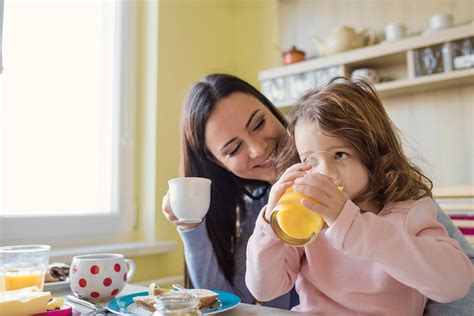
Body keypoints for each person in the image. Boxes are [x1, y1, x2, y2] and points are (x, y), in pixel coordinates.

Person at [162, 74, 474, 313]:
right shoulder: (283, 213)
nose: (257, 148)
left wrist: (350, 224)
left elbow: (458, 282)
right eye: (310, 159)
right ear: (217, 164)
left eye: (339, 155)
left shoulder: (405, 206)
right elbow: (257, 291)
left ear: (375, 154)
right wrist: (268, 226)